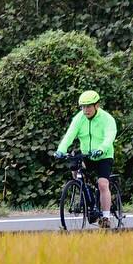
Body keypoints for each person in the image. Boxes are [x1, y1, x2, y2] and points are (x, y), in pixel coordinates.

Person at [54, 90, 117, 228]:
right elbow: (69, 135)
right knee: (74, 170)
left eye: (88, 106)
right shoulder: (79, 118)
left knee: (102, 184)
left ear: (97, 105)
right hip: (86, 155)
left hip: (103, 156)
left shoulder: (107, 119)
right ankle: (85, 195)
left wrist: (101, 148)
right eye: (83, 107)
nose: (85, 110)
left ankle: (106, 217)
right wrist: (61, 150)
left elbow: (109, 137)